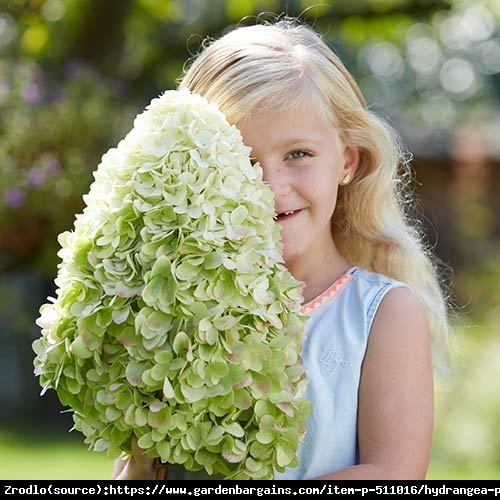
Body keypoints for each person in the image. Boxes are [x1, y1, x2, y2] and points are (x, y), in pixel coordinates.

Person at [114, 17, 450, 480]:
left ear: (347, 162)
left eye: (298, 155)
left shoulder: (382, 314)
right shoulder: (177, 317)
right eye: (242, 160)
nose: (271, 186)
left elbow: (393, 472)